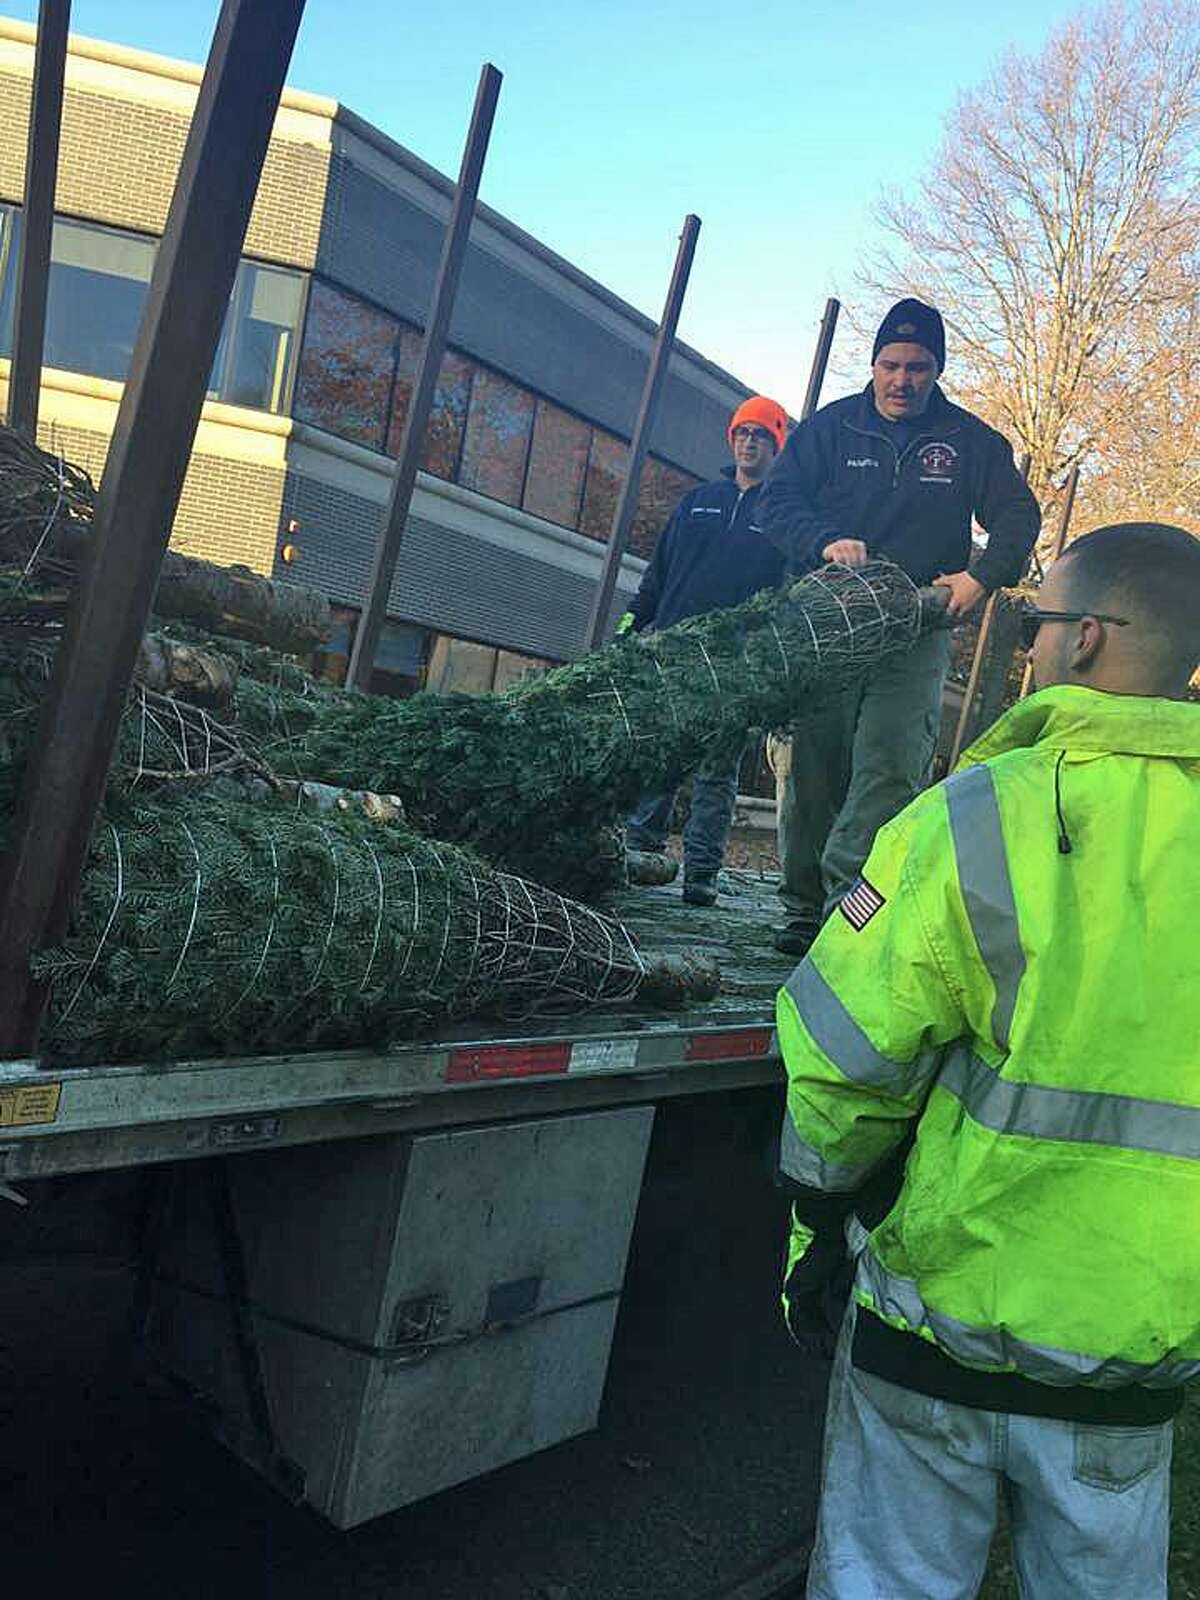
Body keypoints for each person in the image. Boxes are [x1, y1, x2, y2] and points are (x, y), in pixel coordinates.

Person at [776, 521, 1200, 1598]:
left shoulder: (968, 818)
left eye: (1034, 623)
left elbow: (841, 1061)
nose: (1027, 646)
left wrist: (817, 1225)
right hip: (1131, 1359)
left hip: (936, 1332)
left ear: (1087, 637)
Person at [759, 298, 1040, 955]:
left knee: (889, 766)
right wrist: (823, 540)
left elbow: (1018, 515)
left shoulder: (969, 441)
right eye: (890, 365)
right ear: (874, 364)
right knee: (812, 765)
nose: (902, 380)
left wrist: (980, 577)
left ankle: (846, 912)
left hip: (917, 628)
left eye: (917, 367)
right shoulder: (831, 430)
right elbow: (777, 501)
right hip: (832, 627)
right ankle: (801, 906)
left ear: (936, 370)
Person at [622, 394, 789, 906]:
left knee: (717, 770)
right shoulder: (698, 502)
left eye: (760, 435)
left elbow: (784, 597)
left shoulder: (782, 516)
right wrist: (632, 622)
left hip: (735, 663)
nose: (749, 442)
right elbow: (659, 571)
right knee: (663, 755)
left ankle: (701, 874)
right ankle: (639, 851)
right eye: (742, 433)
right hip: (675, 650)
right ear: (732, 439)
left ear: (776, 445)